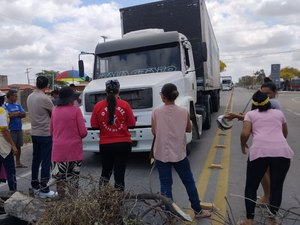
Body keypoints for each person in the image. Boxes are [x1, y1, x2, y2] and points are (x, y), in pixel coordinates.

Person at [151, 83, 211, 219]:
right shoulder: (184, 111)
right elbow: (189, 129)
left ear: (163, 97)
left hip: (161, 154)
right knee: (189, 182)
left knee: (165, 185)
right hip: (179, 153)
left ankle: (170, 215)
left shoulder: (156, 112)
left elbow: (154, 131)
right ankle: (198, 211)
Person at [239, 90, 294, 225]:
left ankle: (249, 220)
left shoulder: (250, 114)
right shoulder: (279, 113)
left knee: (251, 186)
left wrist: (242, 145)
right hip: (282, 152)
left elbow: (245, 134)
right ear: (268, 102)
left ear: (254, 104)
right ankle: (272, 219)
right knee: (276, 186)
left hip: (259, 152)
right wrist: (276, 144)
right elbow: (284, 132)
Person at [225, 81, 282, 205]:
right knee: (269, 174)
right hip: (277, 146)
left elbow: (257, 118)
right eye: (263, 93)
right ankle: (270, 200)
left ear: (275, 93)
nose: (266, 96)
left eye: (269, 93)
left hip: (265, 146)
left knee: (262, 174)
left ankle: (267, 197)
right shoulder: (274, 108)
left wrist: (239, 117)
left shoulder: (272, 103)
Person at [90, 79, 135, 191]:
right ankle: (118, 201)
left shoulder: (98, 106)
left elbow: (94, 125)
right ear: (118, 90)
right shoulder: (125, 105)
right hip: (123, 143)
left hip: (106, 144)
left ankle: (102, 198)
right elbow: (132, 124)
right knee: (119, 173)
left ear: (105, 91)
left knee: (105, 172)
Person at [49, 86, 87, 197]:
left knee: (59, 179)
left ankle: (61, 202)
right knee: (73, 179)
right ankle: (73, 205)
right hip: (73, 151)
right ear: (71, 99)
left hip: (58, 150)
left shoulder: (54, 111)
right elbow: (83, 133)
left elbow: (51, 132)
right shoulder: (76, 111)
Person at [27, 76, 56, 198]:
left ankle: (35, 185)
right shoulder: (45, 98)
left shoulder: (30, 97)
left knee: (36, 160)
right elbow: (54, 114)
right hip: (45, 133)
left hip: (35, 132)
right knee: (46, 161)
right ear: (46, 86)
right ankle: (44, 189)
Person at [4, 89, 27, 168]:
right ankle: (9, 164)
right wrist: (18, 113)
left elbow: (24, 114)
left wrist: (15, 114)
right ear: (9, 96)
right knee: (10, 147)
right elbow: (9, 115)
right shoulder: (5, 105)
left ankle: (18, 162)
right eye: (15, 96)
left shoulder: (17, 104)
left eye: (17, 96)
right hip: (10, 130)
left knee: (18, 146)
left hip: (19, 129)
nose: (16, 97)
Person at [0, 91, 18, 191]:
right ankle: (13, 193)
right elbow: (4, 130)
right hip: (2, 143)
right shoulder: (1, 111)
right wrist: (13, 145)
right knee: (10, 170)